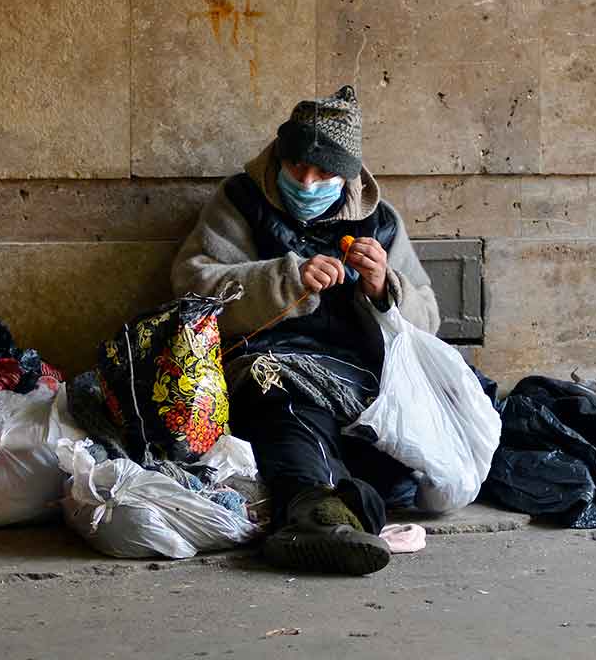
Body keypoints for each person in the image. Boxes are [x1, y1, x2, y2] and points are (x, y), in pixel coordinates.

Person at [172, 85, 442, 576]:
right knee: (292, 411)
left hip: (356, 373)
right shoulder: (241, 201)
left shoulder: (380, 221)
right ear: (279, 157)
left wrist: (385, 286)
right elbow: (194, 286)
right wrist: (284, 278)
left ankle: (336, 510)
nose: (308, 180)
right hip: (271, 364)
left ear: (349, 176)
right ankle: (313, 515)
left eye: (324, 173)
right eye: (297, 167)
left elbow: (428, 318)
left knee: (392, 443)